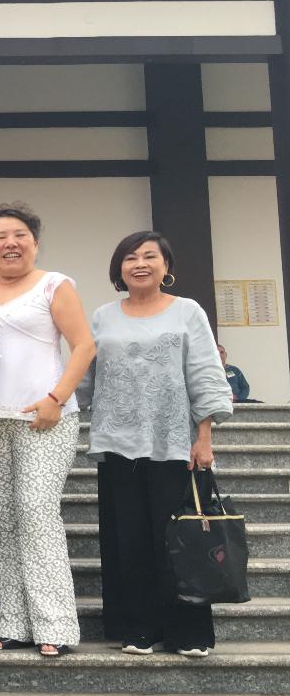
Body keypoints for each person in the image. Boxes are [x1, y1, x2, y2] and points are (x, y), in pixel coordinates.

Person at [79, 231, 232, 658]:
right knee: (128, 541)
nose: (140, 263)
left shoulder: (187, 311)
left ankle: (190, 632)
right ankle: (138, 628)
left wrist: (204, 436)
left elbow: (204, 373)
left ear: (166, 266)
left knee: (179, 541)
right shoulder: (103, 316)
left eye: (150, 256)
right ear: (118, 269)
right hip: (117, 445)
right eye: (130, 257)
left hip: (174, 445)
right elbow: (83, 377)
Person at [0, 205, 94, 657]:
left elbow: (84, 344)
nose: (11, 243)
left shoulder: (54, 284)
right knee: (3, 523)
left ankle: (56, 623)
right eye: (1, 236)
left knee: (36, 513)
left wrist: (56, 398)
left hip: (45, 419)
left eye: (20, 234)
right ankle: (11, 621)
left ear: (35, 242)